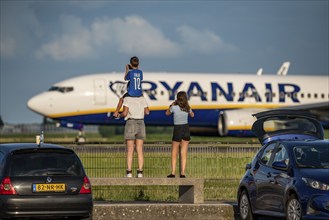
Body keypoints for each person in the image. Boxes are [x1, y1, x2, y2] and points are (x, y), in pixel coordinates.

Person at [165, 91, 194, 178]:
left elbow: (166, 113)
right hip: (186, 129)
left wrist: (171, 105)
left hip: (177, 129)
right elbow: (192, 115)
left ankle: (173, 173)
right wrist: (189, 110)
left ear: (177, 99)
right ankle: (182, 173)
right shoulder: (187, 108)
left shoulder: (174, 107)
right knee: (183, 153)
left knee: (174, 152)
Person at [120, 95, 149, 178]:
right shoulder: (142, 98)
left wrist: (119, 115)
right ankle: (140, 172)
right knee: (139, 149)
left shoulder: (127, 99)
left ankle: (129, 172)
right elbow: (147, 112)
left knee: (130, 150)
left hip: (131, 122)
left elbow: (125, 113)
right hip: (141, 123)